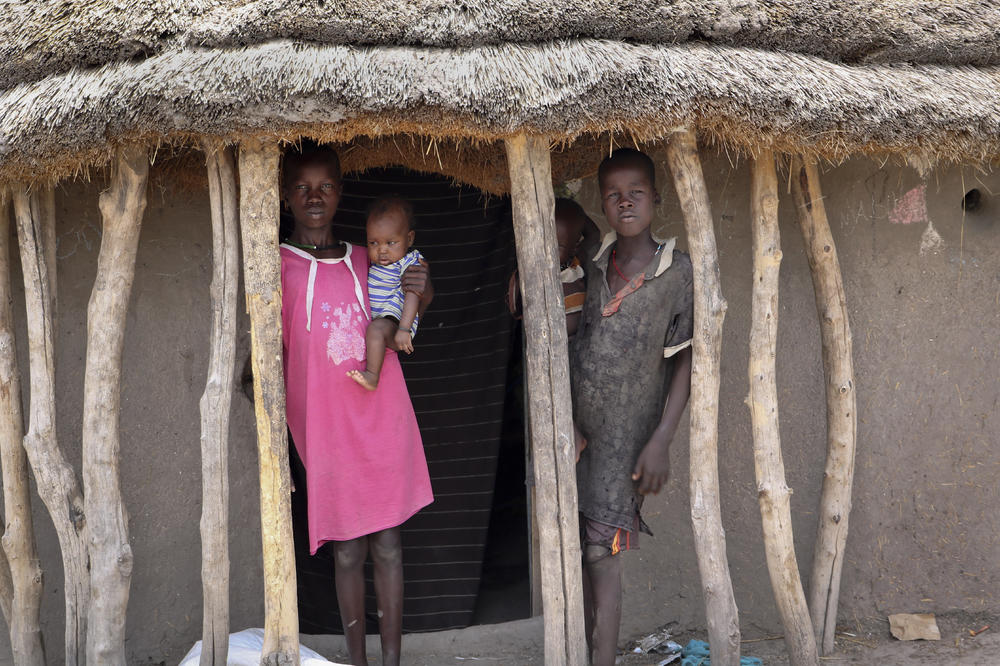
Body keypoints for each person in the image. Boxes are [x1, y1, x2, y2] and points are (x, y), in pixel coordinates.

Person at [279, 145, 434, 666]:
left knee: (388, 544)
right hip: (326, 431)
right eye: (302, 187)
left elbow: (407, 299)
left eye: (325, 186)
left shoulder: (366, 255)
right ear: (284, 195)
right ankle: (357, 661)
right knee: (347, 550)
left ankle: (391, 661)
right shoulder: (274, 266)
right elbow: (265, 360)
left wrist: (423, 291)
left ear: (341, 193)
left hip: (380, 416)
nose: (314, 197)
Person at [570, 148, 694, 666]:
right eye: (613, 195)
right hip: (577, 436)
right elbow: (561, 218)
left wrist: (663, 438)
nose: (625, 203)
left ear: (656, 199)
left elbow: (686, 362)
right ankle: (582, 650)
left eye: (636, 193)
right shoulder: (595, 262)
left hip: (628, 443)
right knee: (576, 549)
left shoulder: (676, 272)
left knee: (603, 555)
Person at [347, 195, 423, 391]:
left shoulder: (409, 262)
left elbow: (414, 294)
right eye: (374, 243)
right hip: (384, 320)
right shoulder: (372, 262)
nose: (382, 250)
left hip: (397, 323)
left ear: (409, 239)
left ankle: (372, 376)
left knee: (376, 329)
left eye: (391, 243)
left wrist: (404, 329)